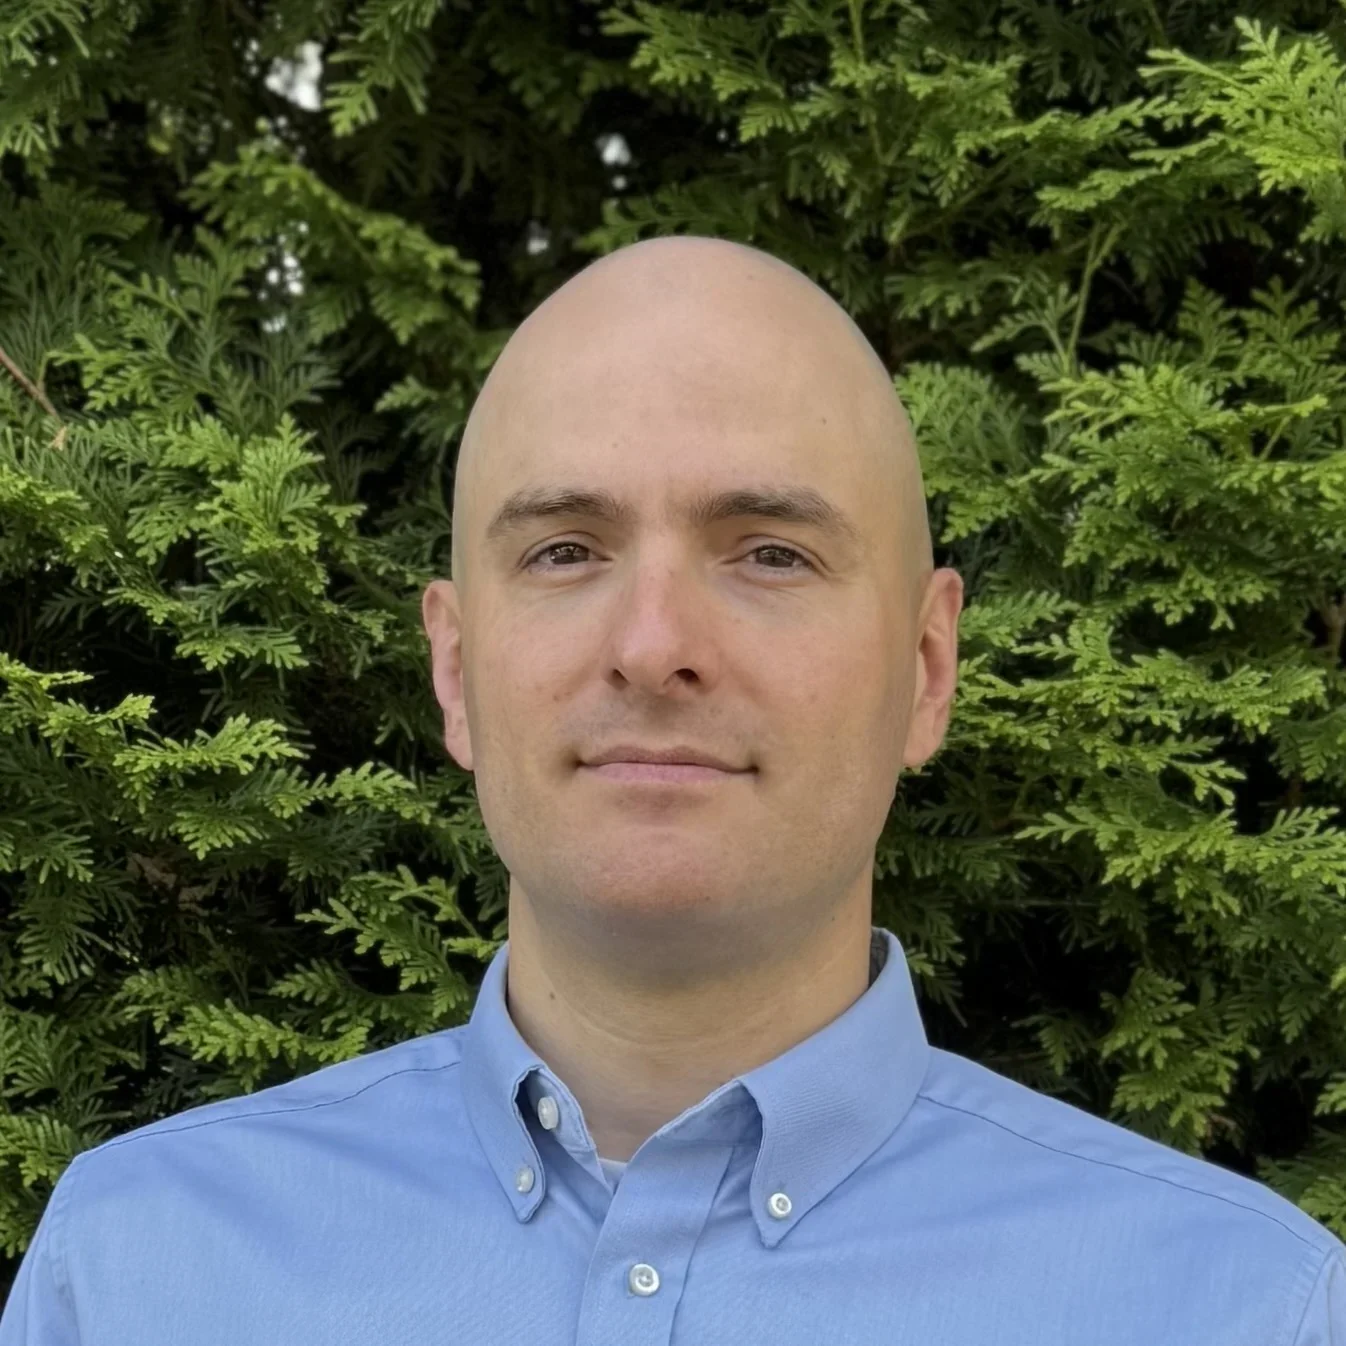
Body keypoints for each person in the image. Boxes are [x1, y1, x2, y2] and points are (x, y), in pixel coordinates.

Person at [1, 235, 1342, 1345]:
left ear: (927, 669)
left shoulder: (1241, 1310)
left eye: (768, 552)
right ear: (455, 670)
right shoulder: (133, 1274)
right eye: (565, 549)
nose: (652, 646)